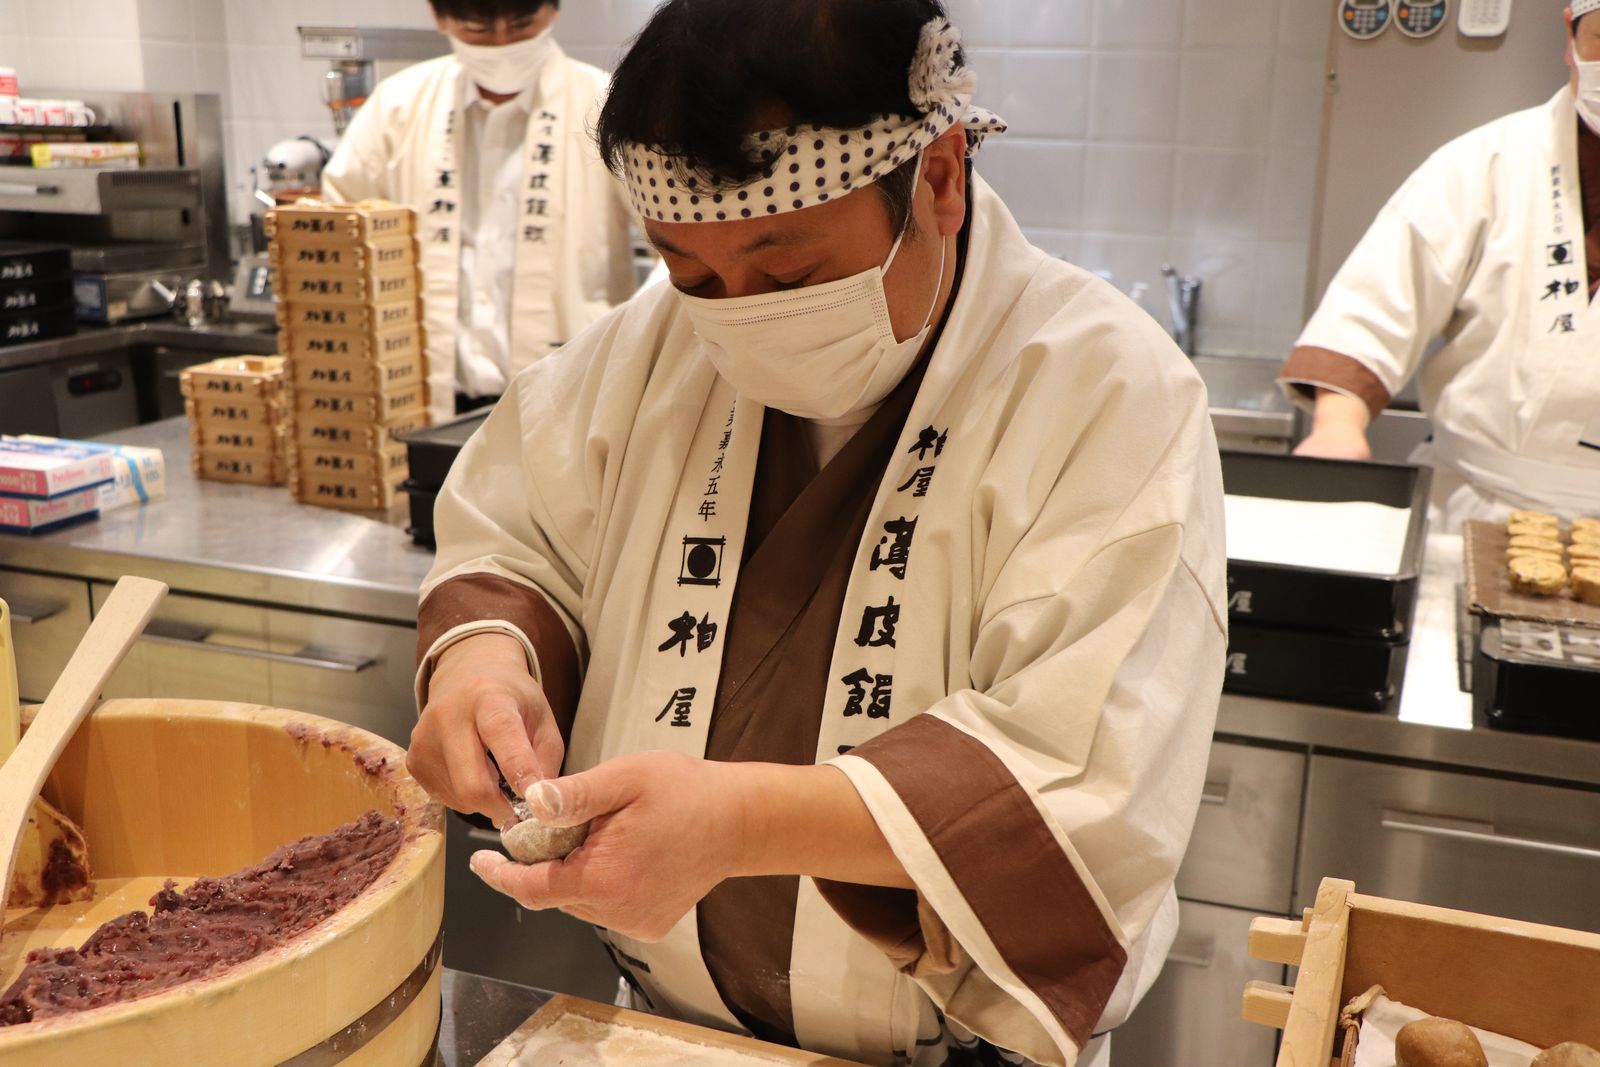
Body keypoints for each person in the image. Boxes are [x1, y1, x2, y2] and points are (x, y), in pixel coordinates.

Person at [407, 2, 1227, 1064]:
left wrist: (742, 821)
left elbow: (1086, 770)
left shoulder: (1103, 389)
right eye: (692, 274)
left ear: (937, 178)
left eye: (786, 274)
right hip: (657, 1029)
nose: (735, 315)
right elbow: (516, 538)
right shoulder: (645, 351)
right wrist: (483, 664)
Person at [1283, 1, 1600, 528]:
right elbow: (1375, 306)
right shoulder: (1486, 163)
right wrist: (1338, 427)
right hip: (1476, 509)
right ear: (1569, 36)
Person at [322, 0, 638, 421]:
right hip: (428, 400)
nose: (503, 42)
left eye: (523, 25)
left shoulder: (606, 107)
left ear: (554, 11)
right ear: (439, 18)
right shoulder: (397, 106)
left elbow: (674, 239)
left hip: (572, 396)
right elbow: (338, 233)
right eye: (478, 29)